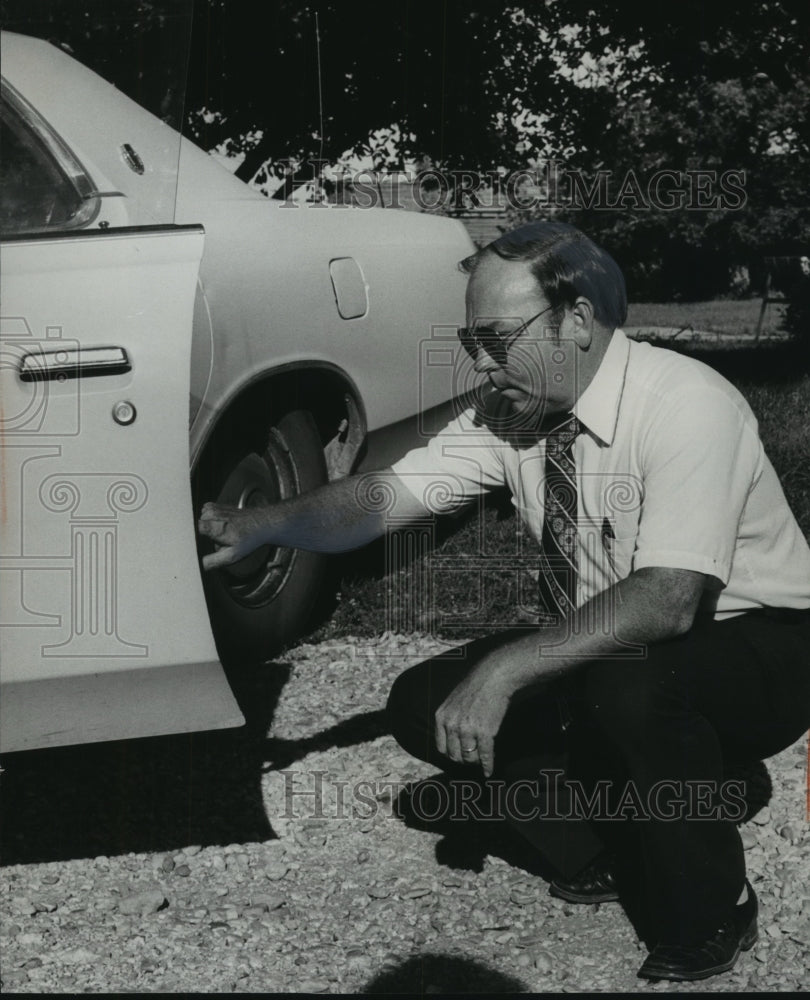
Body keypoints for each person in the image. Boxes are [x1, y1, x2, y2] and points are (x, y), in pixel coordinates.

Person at [198, 221, 810, 982]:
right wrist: (260, 525)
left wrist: (503, 673)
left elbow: (670, 600)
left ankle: (716, 906)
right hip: (631, 640)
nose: (483, 363)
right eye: (471, 340)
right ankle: (611, 845)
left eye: (499, 338)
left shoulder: (686, 402)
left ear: (578, 321)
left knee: (632, 684)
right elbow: (382, 499)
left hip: (761, 645)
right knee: (424, 702)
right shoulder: (513, 411)